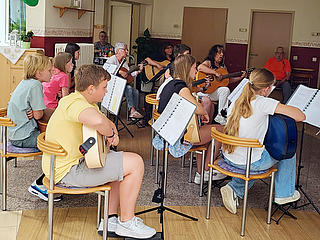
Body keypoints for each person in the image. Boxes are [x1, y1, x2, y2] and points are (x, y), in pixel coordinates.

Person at [42, 64, 156, 238]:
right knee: (136, 163)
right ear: (90, 88)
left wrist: (113, 131)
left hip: (71, 165)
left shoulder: (85, 101)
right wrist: (110, 133)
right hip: (68, 172)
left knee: (119, 162)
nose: (106, 91)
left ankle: (109, 219)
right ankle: (127, 222)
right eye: (104, 87)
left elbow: (103, 120)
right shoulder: (74, 103)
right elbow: (97, 121)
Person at [220, 68, 305, 214]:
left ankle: (233, 188)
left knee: (256, 155)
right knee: (287, 152)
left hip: (228, 156)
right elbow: (300, 116)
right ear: (266, 89)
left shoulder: (237, 100)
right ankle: (284, 194)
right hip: (249, 162)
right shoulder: (263, 102)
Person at [158, 54, 226, 184]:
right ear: (187, 68)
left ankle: (201, 174)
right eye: (194, 68)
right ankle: (206, 170)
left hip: (169, 131)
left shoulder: (170, 83)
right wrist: (203, 111)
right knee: (220, 131)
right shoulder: (181, 87)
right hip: (178, 137)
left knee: (207, 132)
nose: (196, 71)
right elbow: (199, 109)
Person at [6, 53, 62, 201]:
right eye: (49, 71)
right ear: (39, 73)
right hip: (24, 136)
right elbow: (38, 115)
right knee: (58, 145)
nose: (52, 73)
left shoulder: (26, 82)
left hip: (14, 133)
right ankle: (40, 185)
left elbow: (37, 112)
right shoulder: (36, 85)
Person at [198, 44, 245, 125]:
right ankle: (221, 116)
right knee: (225, 90)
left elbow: (227, 81)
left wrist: (240, 78)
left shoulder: (223, 67)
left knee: (225, 89)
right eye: (219, 52)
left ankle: (221, 115)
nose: (222, 55)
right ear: (214, 53)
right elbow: (200, 68)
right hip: (203, 91)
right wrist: (215, 73)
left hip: (213, 93)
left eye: (222, 53)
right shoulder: (208, 62)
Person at [104, 42, 144, 120]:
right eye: (125, 50)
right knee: (128, 88)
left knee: (135, 91)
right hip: (112, 86)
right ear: (118, 50)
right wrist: (119, 71)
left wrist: (139, 71)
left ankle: (134, 113)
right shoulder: (112, 59)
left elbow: (130, 74)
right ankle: (132, 110)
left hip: (121, 86)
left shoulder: (124, 61)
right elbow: (105, 69)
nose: (127, 51)